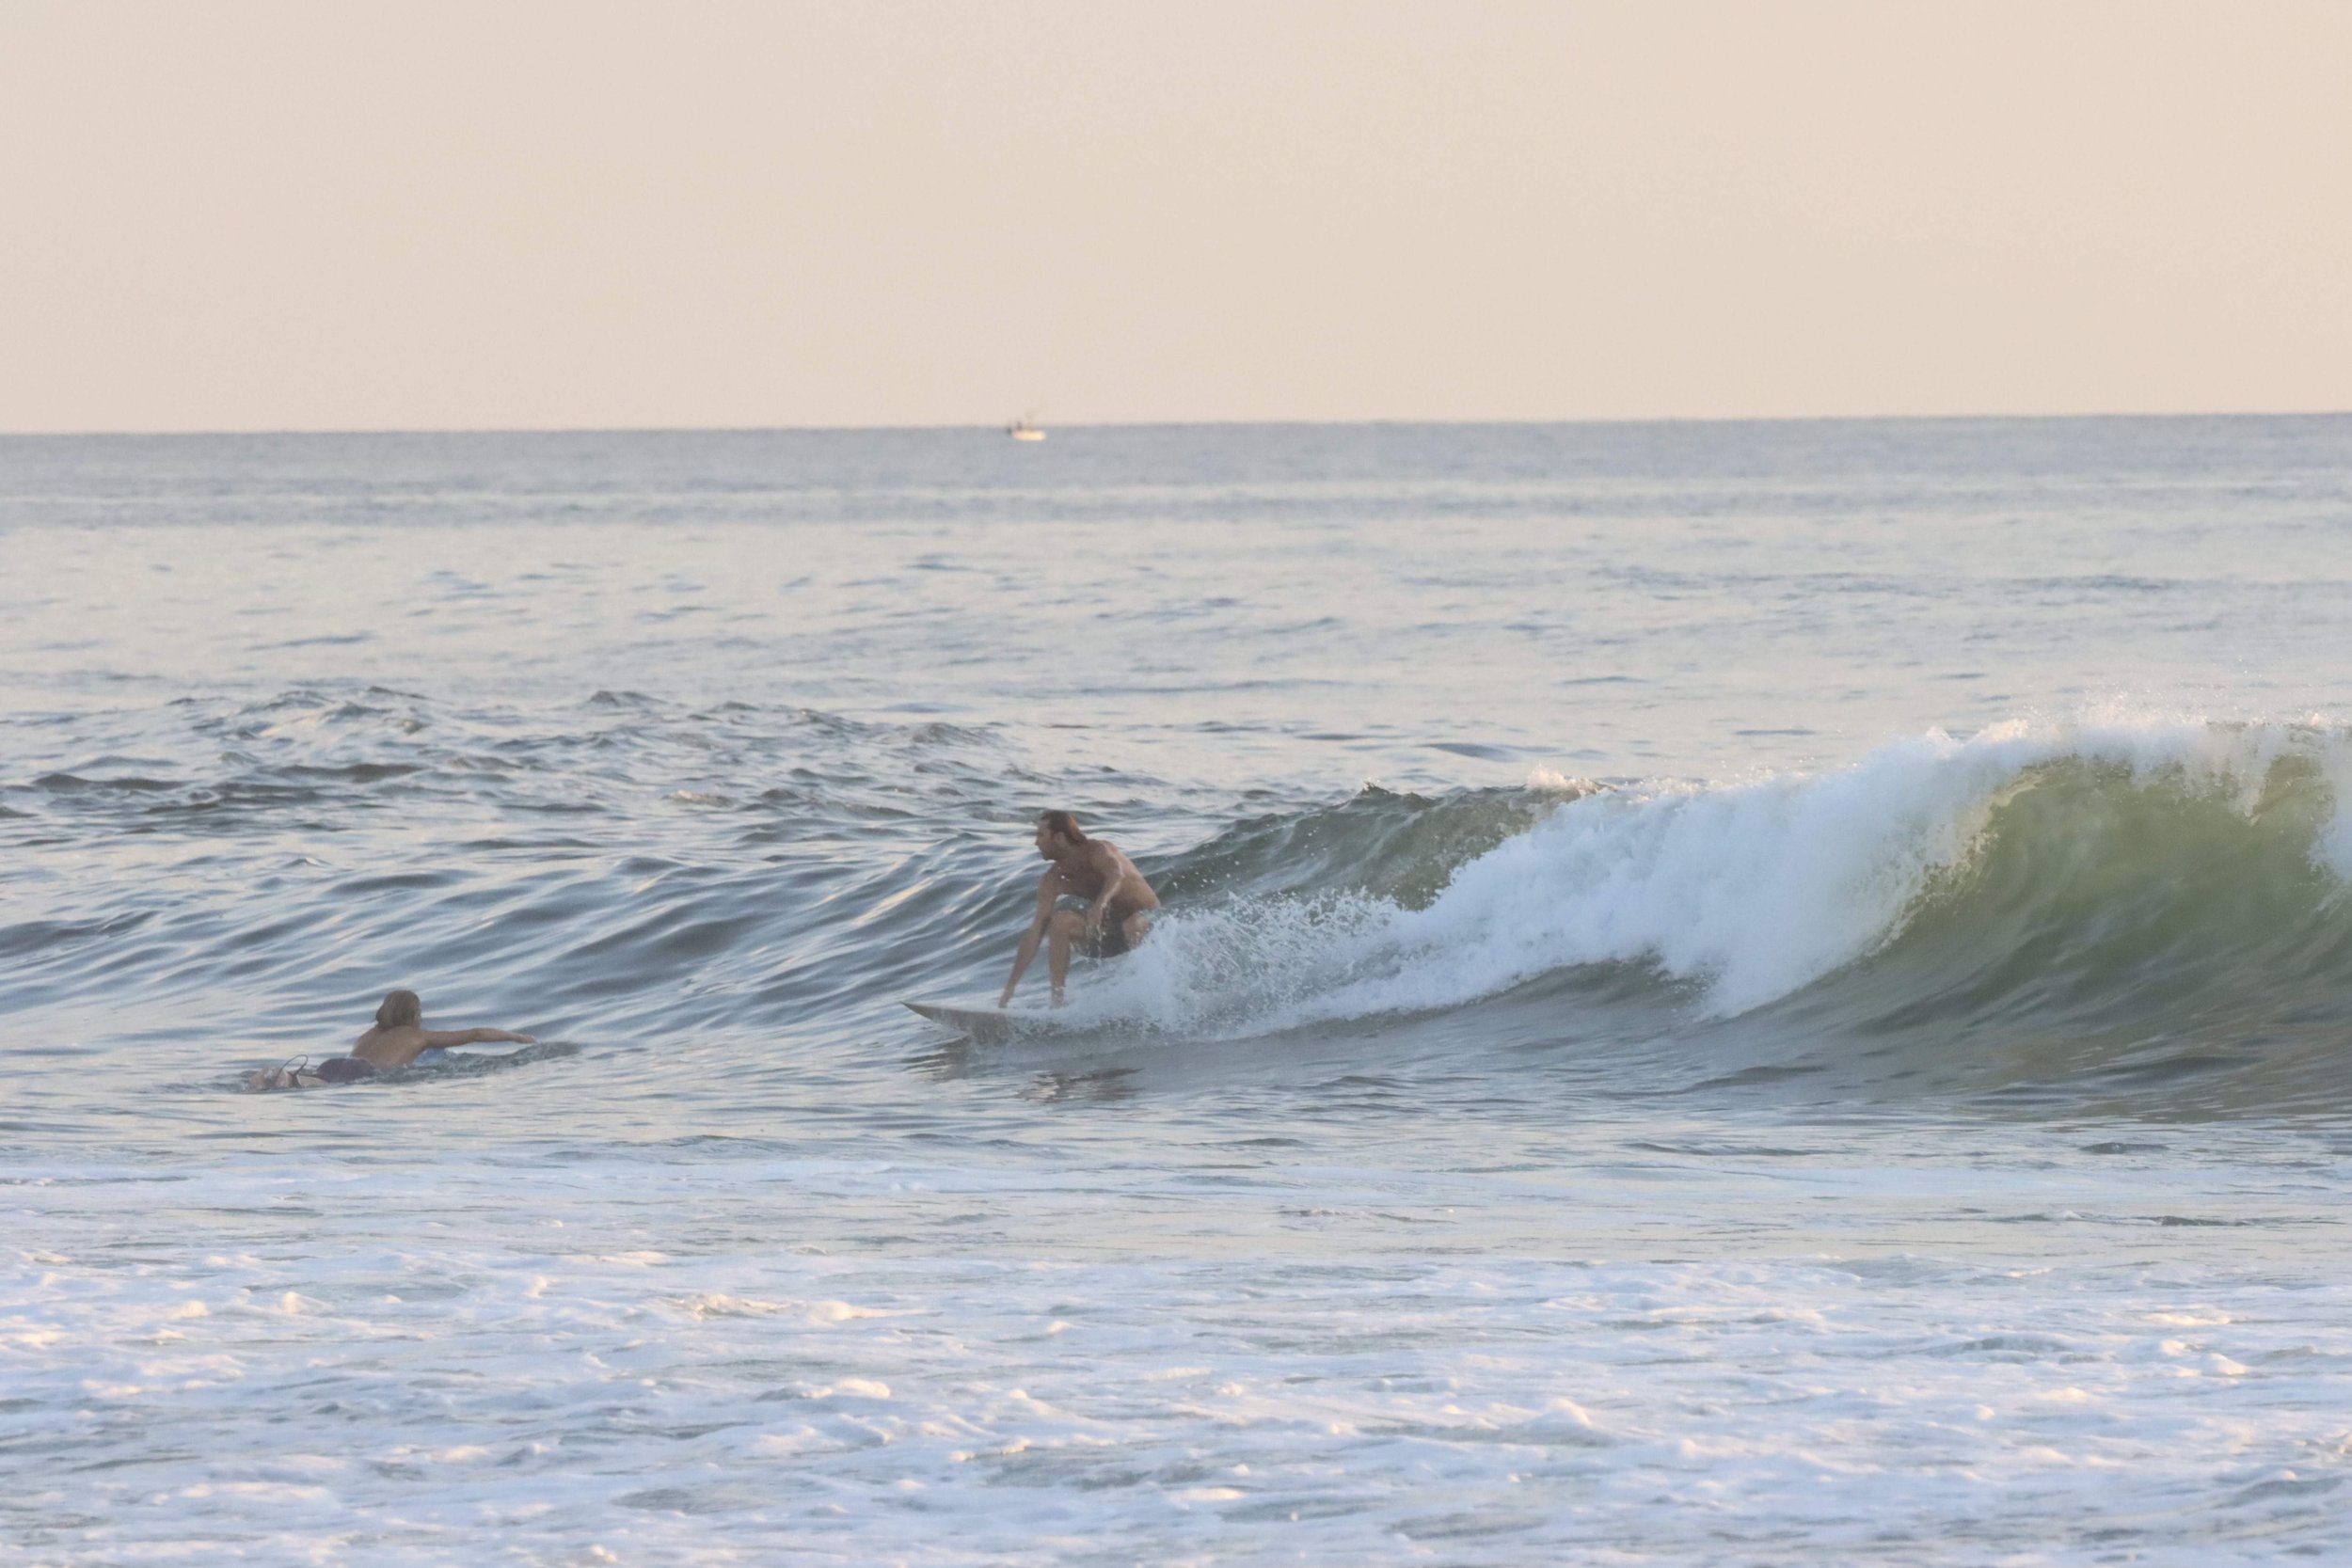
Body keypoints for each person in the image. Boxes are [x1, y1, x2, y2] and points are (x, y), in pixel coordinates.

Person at [1000, 810, 1160, 1008]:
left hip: (1151, 921)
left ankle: (1150, 996)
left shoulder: (1097, 850)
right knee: (1060, 922)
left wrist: (1100, 903)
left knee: (1132, 924)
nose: (1036, 843)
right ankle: (1057, 1003)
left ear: (1059, 837)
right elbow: (1035, 932)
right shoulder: (1054, 878)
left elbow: (1116, 875)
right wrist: (1011, 986)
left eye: (1040, 835)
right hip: (1110, 934)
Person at [247, 989, 536, 1089]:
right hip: (365, 1074)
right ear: (413, 1015)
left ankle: (279, 1077)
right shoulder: (417, 1037)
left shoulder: (369, 1034)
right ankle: (288, 1080)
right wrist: (518, 1037)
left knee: (318, 1081)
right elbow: (476, 1034)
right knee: (327, 1085)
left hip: (335, 1064)